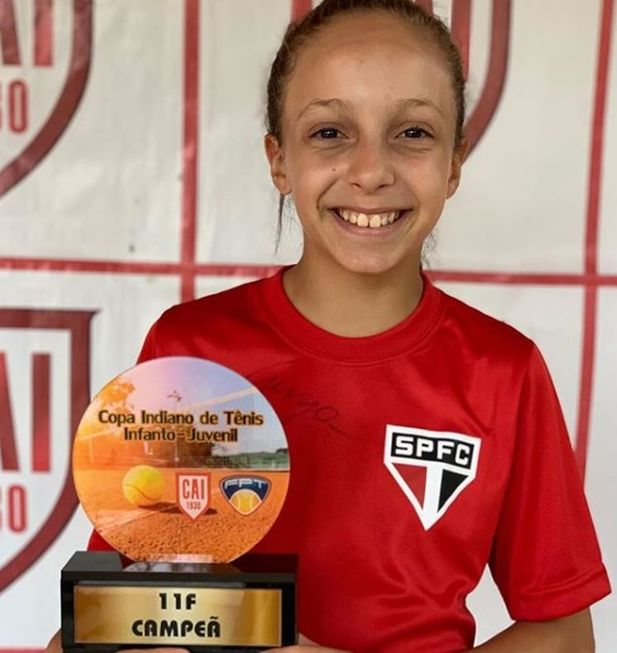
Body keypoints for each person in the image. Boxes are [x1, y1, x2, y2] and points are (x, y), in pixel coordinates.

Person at [47, 1, 610, 651]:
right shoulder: (192, 353)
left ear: (454, 162)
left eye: (413, 132)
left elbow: (565, 632)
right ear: (279, 160)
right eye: (329, 132)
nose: (371, 171)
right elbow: (114, 605)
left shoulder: (502, 370)